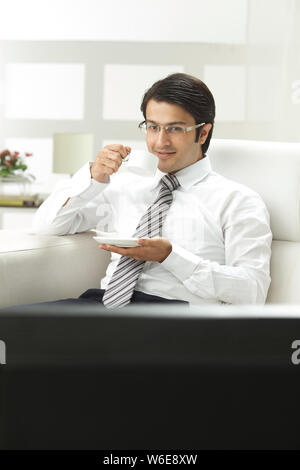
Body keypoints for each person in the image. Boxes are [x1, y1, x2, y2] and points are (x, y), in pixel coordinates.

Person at [27, 73, 272, 308]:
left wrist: (170, 256)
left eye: (175, 129)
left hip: (175, 317)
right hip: (103, 306)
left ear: (203, 132)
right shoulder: (124, 186)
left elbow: (252, 291)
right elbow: (48, 225)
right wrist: (93, 177)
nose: (160, 142)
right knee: (11, 325)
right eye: (153, 127)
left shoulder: (237, 200)